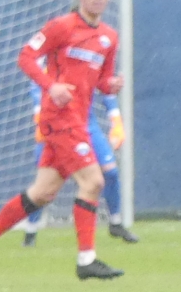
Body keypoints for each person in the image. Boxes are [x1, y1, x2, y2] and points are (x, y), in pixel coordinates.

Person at [0, 0, 126, 281]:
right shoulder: (61, 26)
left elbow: (102, 81)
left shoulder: (109, 36)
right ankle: (86, 260)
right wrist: (50, 86)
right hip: (59, 119)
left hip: (79, 119)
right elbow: (26, 56)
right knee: (94, 182)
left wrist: (111, 85)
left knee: (42, 193)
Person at [21, 84, 136, 247]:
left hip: (87, 125)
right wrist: (40, 115)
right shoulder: (49, 70)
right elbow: (37, 86)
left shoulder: (89, 68)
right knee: (46, 186)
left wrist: (115, 119)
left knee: (110, 172)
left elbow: (105, 84)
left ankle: (115, 223)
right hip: (58, 128)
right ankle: (31, 230)